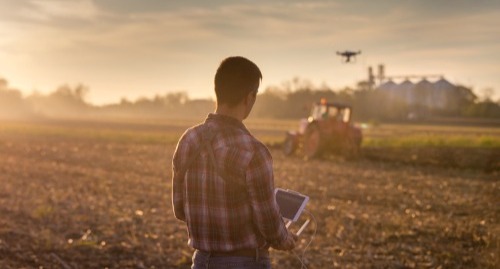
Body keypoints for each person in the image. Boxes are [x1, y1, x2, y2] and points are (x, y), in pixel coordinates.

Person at [172, 56, 297, 269]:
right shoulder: (254, 151)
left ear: (217, 91)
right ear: (249, 97)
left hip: (201, 261)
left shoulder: (188, 140)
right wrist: (286, 240)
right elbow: (269, 225)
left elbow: (179, 210)